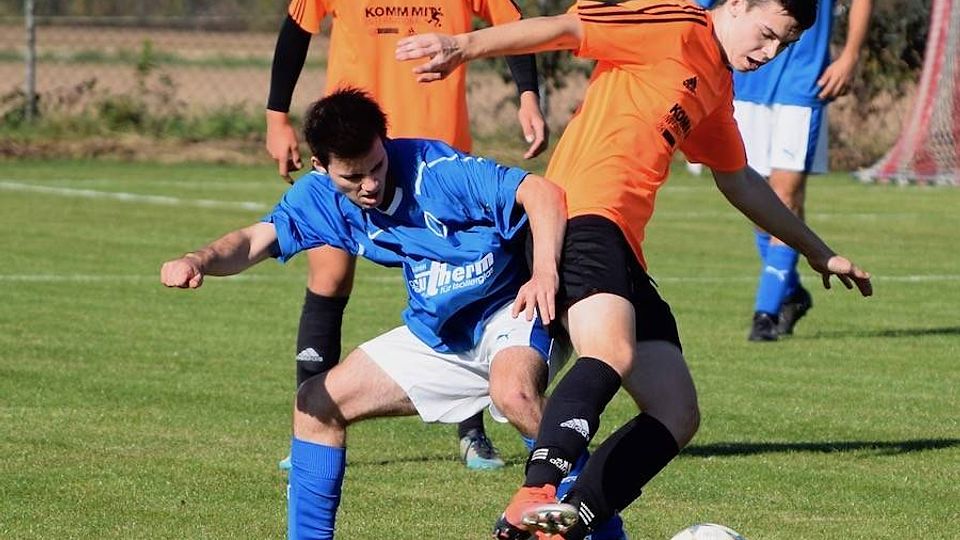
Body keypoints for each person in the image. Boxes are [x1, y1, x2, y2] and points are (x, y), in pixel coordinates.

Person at [396, 1, 873, 538]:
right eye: (766, 34)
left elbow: (738, 179)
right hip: (579, 216)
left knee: (676, 410)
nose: (770, 52)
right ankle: (535, 493)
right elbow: (565, 28)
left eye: (784, 45)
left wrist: (816, 250)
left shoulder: (717, 84)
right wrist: (462, 46)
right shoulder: (675, 23)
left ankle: (567, 523)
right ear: (737, 4)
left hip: (621, 243)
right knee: (611, 351)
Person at [162, 88, 565, 539]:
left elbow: (542, 192)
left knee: (514, 394)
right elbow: (254, 240)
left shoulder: (436, 170)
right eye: (353, 176)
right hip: (436, 333)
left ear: (383, 142)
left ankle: (599, 522)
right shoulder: (319, 198)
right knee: (316, 405)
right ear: (320, 166)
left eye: (376, 165)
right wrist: (198, 260)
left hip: (510, 308)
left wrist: (544, 273)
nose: (370, 184)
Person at [265, 0, 551, 470]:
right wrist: (277, 116)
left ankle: (474, 433)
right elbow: (297, 28)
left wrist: (528, 95)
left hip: (433, 155)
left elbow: (511, 21)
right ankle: (310, 432)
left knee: (461, 285)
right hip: (354, 151)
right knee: (328, 276)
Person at [695, 0, 872, 341]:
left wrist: (850, 55)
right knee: (755, 197)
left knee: (785, 193)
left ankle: (766, 312)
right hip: (748, 82)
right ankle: (790, 291)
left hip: (804, 79)